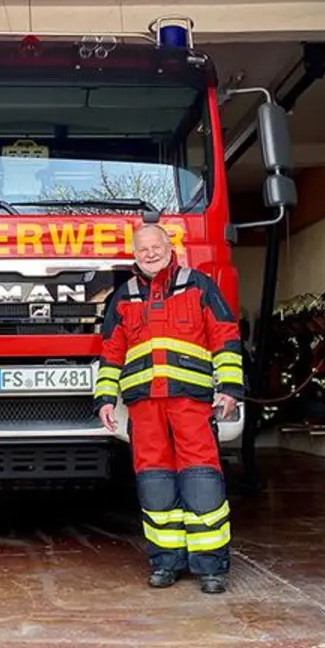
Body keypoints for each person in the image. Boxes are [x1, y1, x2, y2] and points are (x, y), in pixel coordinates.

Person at [94, 224, 245, 593]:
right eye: (142, 248)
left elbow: (225, 337)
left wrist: (230, 388)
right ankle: (166, 563)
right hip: (145, 408)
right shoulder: (124, 297)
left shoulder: (199, 285)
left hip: (190, 403)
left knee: (201, 481)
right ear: (134, 254)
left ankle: (211, 567)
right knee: (155, 486)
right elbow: (110, 354)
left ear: (169, 246)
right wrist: (104, 398)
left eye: (155, 246)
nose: (149, 253)